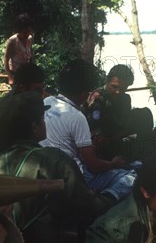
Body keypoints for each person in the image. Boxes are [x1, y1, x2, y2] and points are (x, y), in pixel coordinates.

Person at [0, 91, 115, 243]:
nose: (45, 122)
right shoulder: (53, 159)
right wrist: (113, 196)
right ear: (34, 127)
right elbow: (87, 205)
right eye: (42, 119)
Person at [41, 59, 136, 202]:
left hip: (48, 170)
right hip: (74, 178)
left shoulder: (46, 103)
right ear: (85, 94)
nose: (118, 92)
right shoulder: (79, 116)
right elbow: (93, 166)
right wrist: (113, 164)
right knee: (132, 176)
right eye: (114, 86)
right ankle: (104, 201)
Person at [84, 64, 154, 160]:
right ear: (107, 81)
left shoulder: (125, 99)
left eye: (123, 89)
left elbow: (124, 124)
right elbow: (94, 132)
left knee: (144, 114)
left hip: (117, 137)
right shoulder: (97, 98)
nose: (118, 92)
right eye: (114, 87)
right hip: (100, 144)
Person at [4, 13, 34, 86]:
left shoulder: (30, 39)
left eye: (28, 31)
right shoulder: (13, 41)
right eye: (24, 32)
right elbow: (6, 59)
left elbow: (30, 54)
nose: (26, 34)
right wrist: (10, 76)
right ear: (19, 31)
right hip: (16, 73)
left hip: (27, 72)